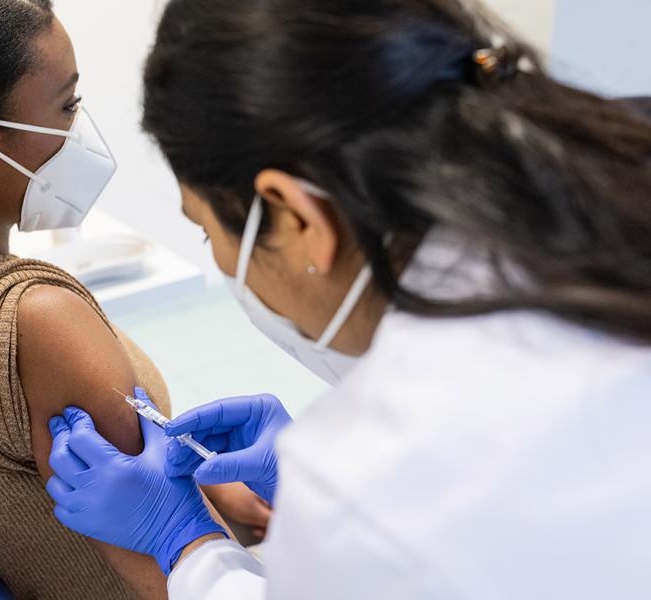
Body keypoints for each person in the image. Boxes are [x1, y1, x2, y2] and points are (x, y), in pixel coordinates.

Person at [43, 0, 651, 598]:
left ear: (299, 217)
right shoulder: (608, 180)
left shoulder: (360, 488)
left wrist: (183, 543)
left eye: (209, 230)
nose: (224, 261)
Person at [0, 1, 267, 598]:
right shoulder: (37, 322)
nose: (79, 130)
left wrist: (205, 485)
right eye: (67, 105)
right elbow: (170, 571)